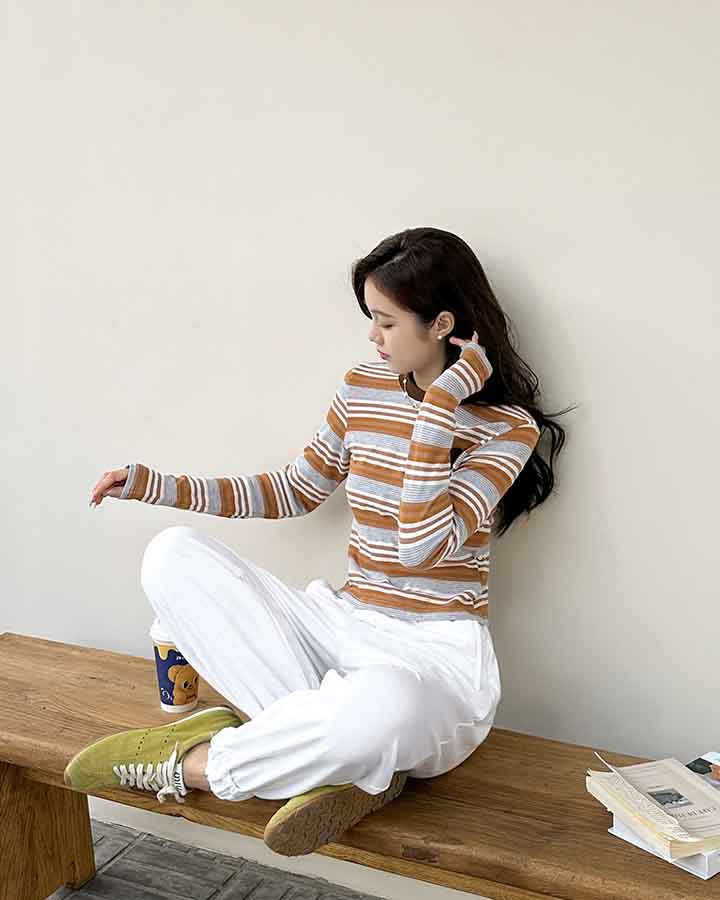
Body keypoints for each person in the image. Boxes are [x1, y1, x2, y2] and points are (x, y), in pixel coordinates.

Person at [64, 226, 574, 856]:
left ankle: (198, 763)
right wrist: (157, 485)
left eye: (386, 322)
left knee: (385, 705)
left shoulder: (507, 429)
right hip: (343, 623)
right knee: (171, 555)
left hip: (434, 660)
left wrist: (440, 404)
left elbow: (419, 544)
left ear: (441, 324)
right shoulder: (363, 388)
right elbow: (293, 489)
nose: (373, 337)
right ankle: (345, 763)